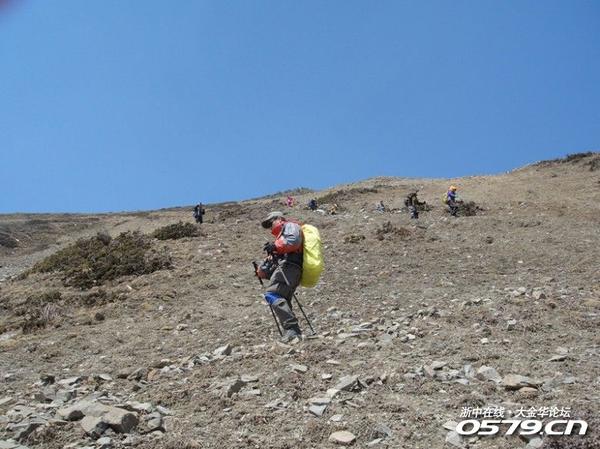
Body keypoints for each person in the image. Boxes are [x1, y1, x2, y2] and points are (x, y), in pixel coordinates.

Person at [256, 211, 303, 341]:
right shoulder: (281, 235)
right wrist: (264, 271)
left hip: (290, 266)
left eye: (270, 222)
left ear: (278, 218)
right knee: (282, 299)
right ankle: (292, 332)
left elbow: (294, 241)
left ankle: (292, 330)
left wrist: (275, 246)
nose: (270, 227)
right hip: (290, 267)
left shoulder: (290, 226)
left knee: (272, 295)